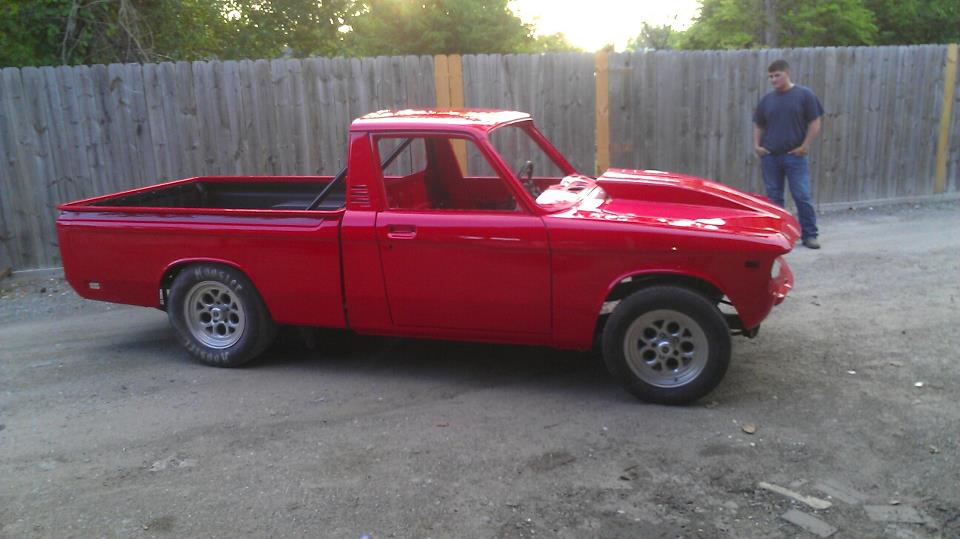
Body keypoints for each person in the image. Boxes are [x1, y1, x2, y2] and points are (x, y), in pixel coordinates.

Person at [753, 59, 824, 249]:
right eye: (770, 76)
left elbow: (815, 121)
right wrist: (757, 146)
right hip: (770, 156)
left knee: (802, 195)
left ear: (787, 73)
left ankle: (810, 235)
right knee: (774, 198)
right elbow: (759, 124)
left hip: (795, 156)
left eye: (777, 75)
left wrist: (805, 145)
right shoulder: (767, 100)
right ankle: (778, 236)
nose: (773, 79)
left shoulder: (804, 95)